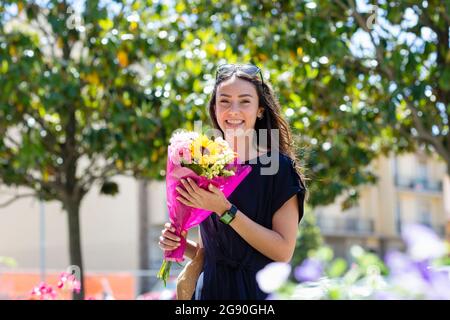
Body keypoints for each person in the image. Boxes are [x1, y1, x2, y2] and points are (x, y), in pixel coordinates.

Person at [158, 63, 306, 300]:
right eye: (224, 101)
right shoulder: (204, 164)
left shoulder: (278, 168)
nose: (233, 110)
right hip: (208, 293)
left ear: (260, 110)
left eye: (245, 101)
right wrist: (179, 243)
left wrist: (225, 210)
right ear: (215, 108)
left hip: (256, 295)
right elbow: (211, 253)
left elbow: (282, 251)